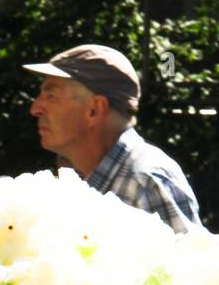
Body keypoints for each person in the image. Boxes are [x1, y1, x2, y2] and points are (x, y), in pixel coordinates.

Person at [26, 43, 202, 232]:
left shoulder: (145, 184)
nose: (35, 109)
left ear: (94, 110)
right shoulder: (75, 180)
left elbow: (189, 261)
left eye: (50, 96)